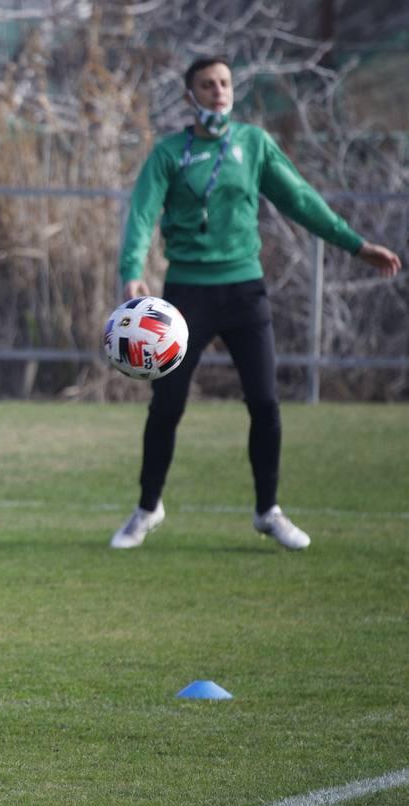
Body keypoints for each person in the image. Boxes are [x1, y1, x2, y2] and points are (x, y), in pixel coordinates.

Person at [113, 56, 401, 551]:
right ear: (190, 96)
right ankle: (147, 508)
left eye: (225, 83)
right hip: (186, 296)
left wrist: (355, 244)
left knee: (266, 403)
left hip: (245, 291)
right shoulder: (169, 153)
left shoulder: (253, 144)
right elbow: (141, 213)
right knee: (167, 405)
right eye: (207, 85)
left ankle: (268, 511)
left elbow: (301, 199)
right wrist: (132, 272)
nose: (218, 91)